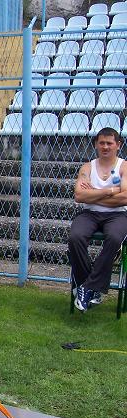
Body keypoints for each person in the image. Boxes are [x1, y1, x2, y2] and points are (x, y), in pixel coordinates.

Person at [69, 127, 127, 312]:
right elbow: (79, 196)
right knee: (75, 237)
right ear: (96, 144)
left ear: (118, 145)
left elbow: (125, 198)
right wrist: (111, 191)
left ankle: (87, 288)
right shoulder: (87, 167)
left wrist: (93, 193)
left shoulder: (123, 167)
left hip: (117, 214)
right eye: (102, 143)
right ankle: (90, 288)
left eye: (109, 143)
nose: (105, 147)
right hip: (90, 213)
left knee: (115, 238)